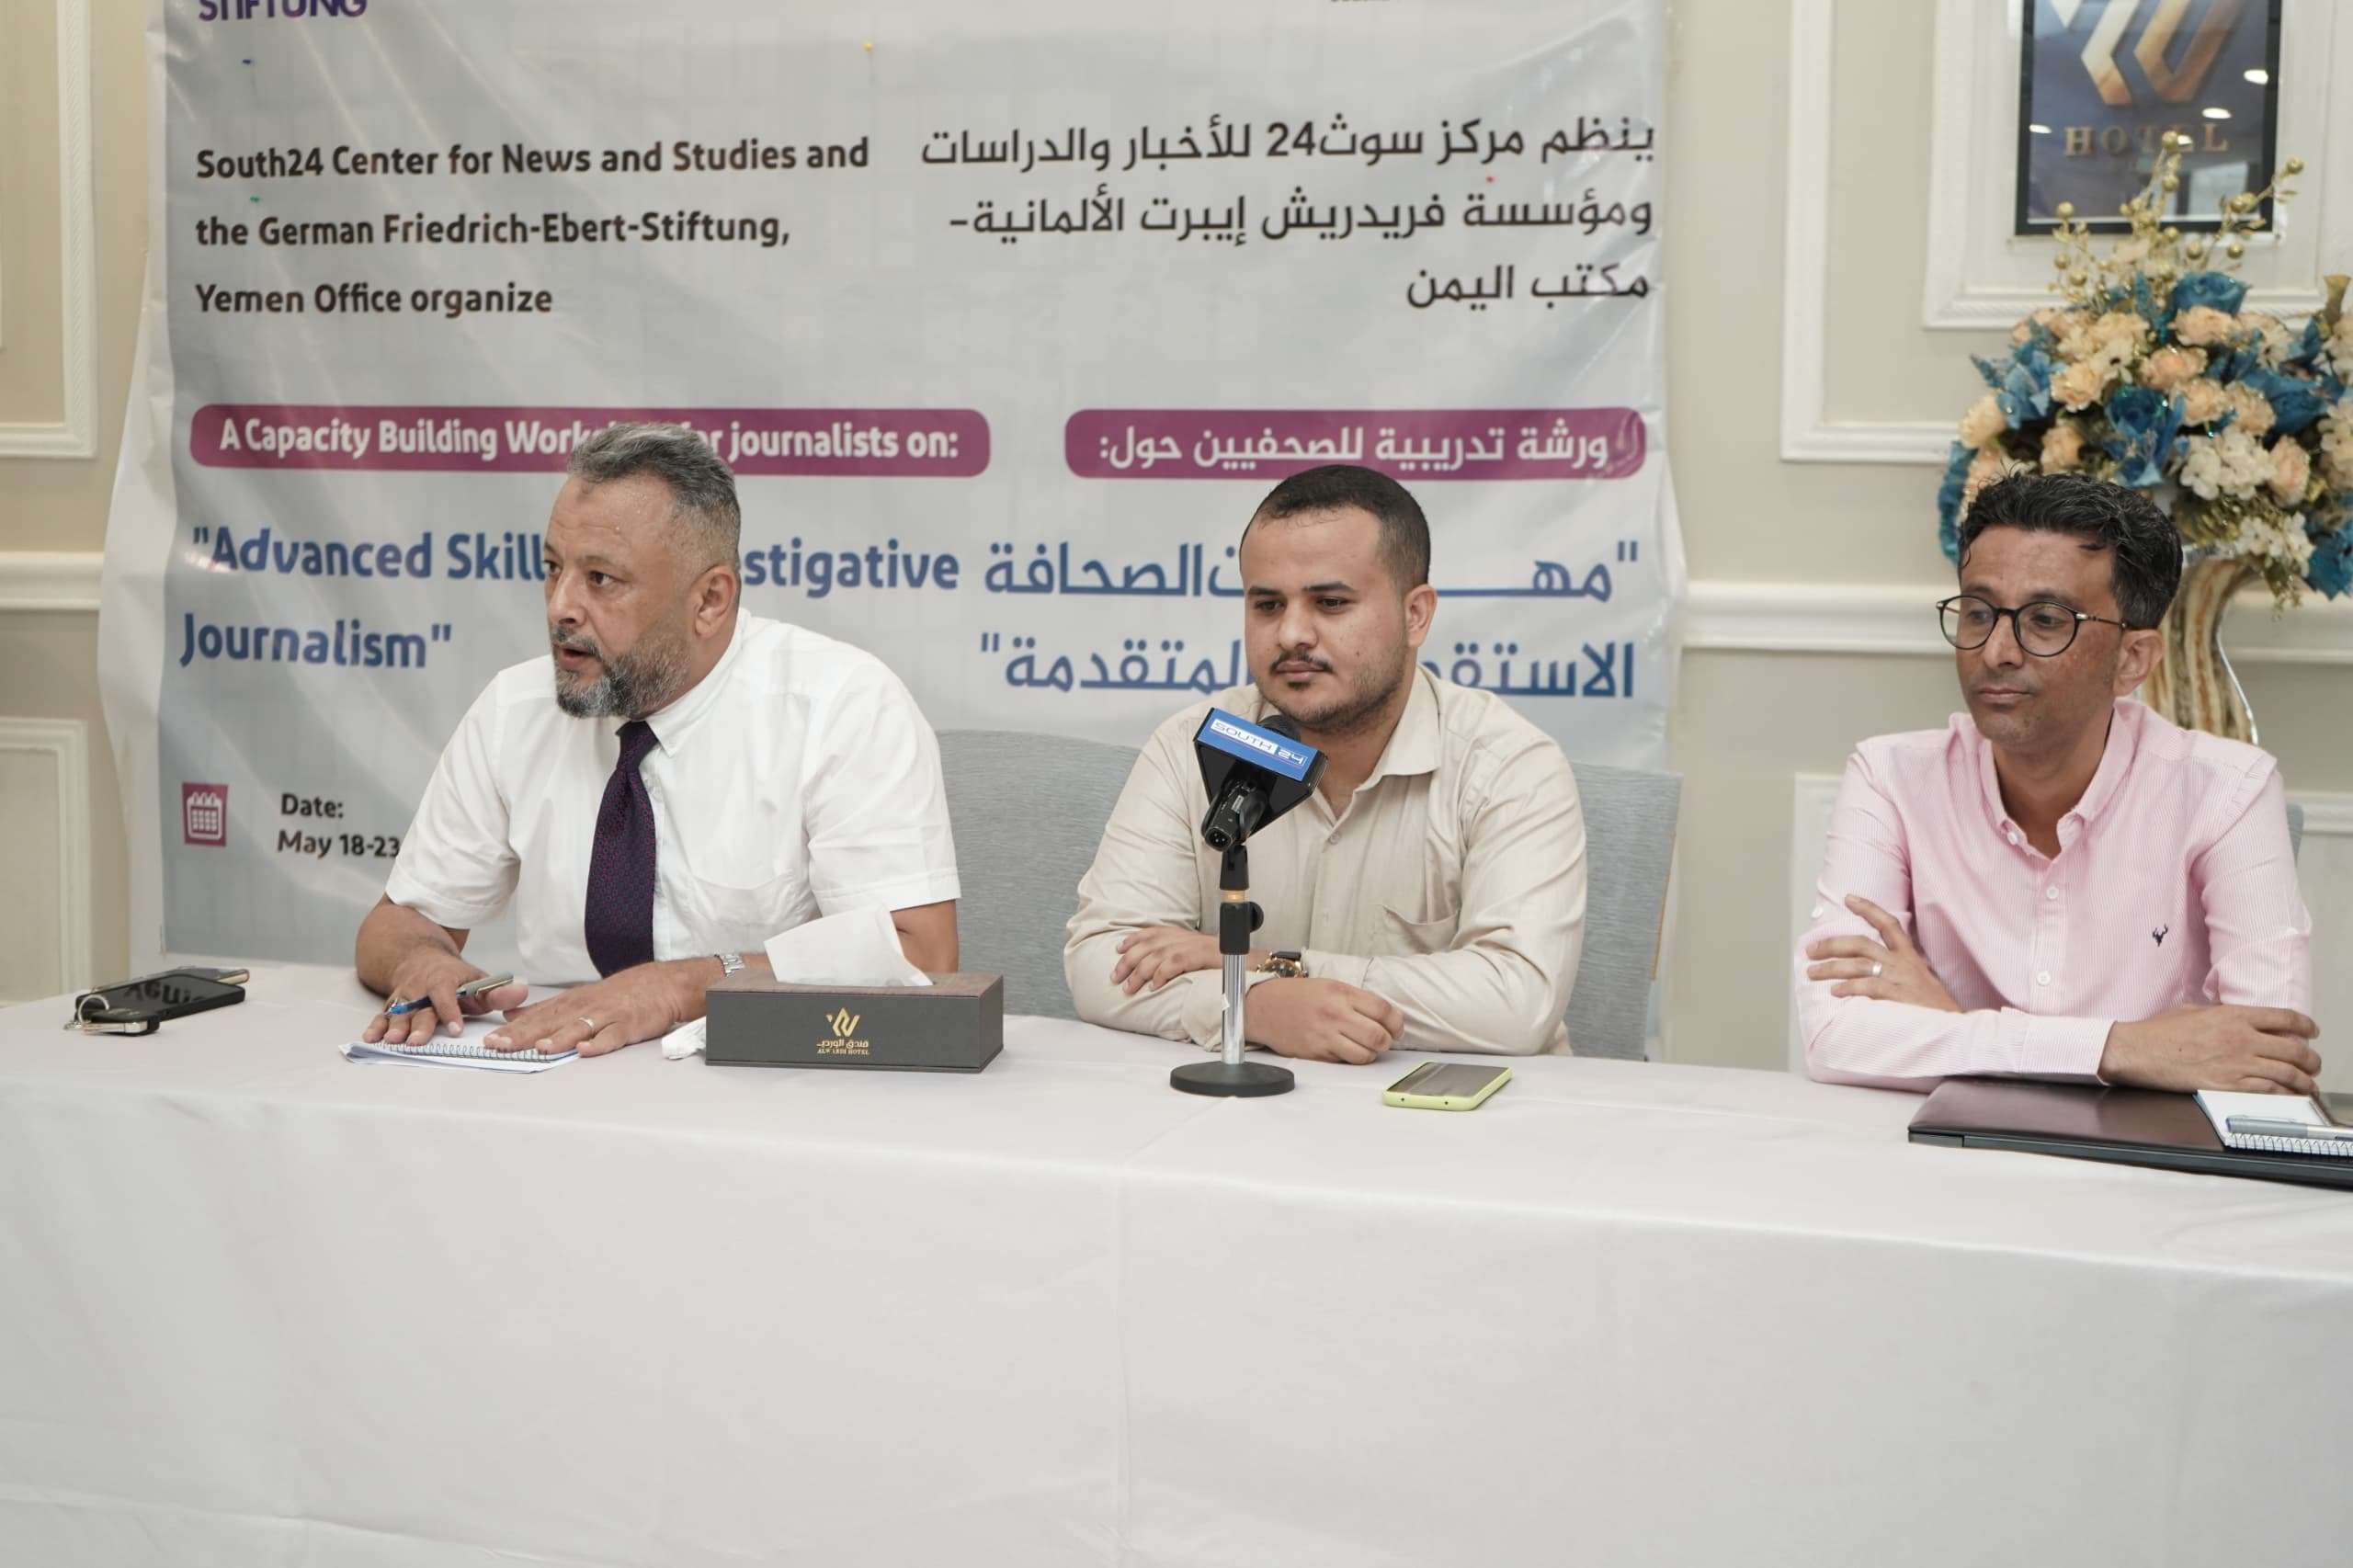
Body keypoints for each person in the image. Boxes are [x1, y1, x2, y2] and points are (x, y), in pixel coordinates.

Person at [356, 422, 959, 1056]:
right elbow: (398, 921)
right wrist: (423, 960)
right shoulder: (515, 709)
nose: (560, 606)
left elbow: (922, 956)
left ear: (710, 601)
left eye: (601, 579)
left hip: (774, 1077)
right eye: (553, 569)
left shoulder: (841, 706)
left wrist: (681, 988)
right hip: (560, 1074)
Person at [1797, 472, 2318, 1093]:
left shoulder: (2227, 791)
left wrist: (1952, 1028)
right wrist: (2122, 1048)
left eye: (2045, 620)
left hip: (2146, 1157)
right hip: (1935, 1153)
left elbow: (2268, 1067)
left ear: (2133, 660)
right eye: (1978, 613)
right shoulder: (1890, 779)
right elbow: (1835, 1038)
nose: (1997, 651)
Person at [1064, 463, 1587, 1062]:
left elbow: (1517, 1004)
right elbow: (1101, 964)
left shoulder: (1508, 765)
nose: (1291, 633)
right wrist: (1253, 1006)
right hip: (1243, 1107)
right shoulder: (1193, 745)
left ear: (1416, 615)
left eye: (1331, 603)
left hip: (1450, 1109)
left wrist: (1271, 966)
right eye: (1267, 604)